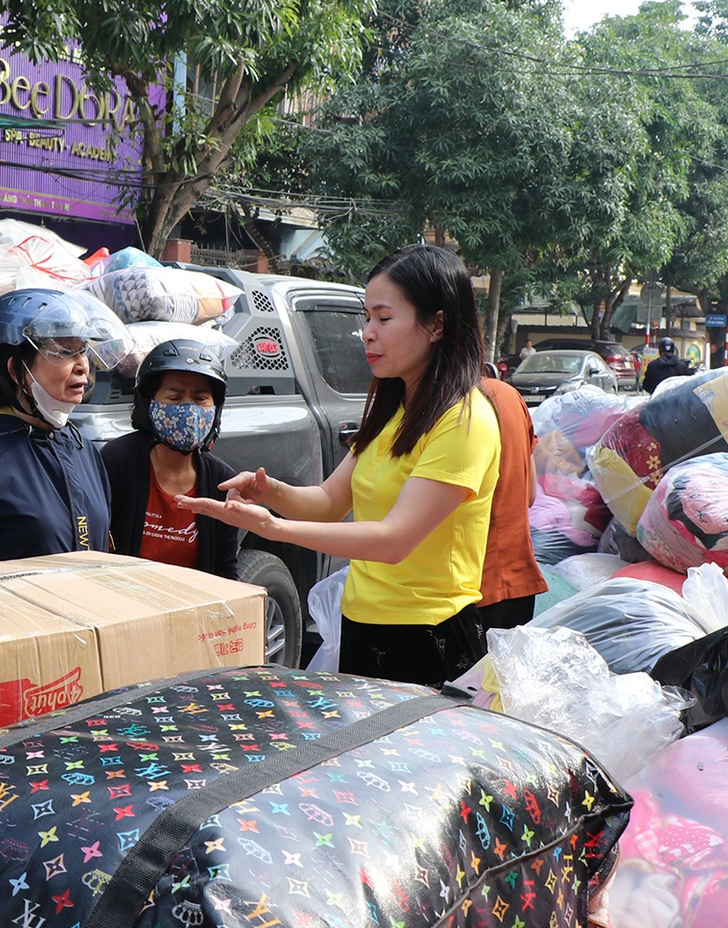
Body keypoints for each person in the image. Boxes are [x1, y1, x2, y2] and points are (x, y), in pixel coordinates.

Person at [181, 246, 501, 687]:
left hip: (429, 637)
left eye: (384, 319)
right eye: (366, 319)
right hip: (362, 623)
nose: (367, 334)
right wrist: (270, 492)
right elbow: (331, 500)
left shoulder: (464, 419)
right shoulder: (393, 411)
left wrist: (276, 530)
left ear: (437, 324)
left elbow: (393, 540)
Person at [0, 289, 117, 567]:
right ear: (16, 370)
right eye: (64, 351)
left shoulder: (82, 447)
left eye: (83, 350)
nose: (83, 366)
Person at [99, 338, 242, 579]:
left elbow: (225, 570)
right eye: (174, 398)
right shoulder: (116, 461)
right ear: (149, 404)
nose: (189, 410)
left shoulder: (222, 481)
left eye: (200, 399)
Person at [476, 368, 546, 630]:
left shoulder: (442, 404)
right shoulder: (505, 394)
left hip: (464, 592)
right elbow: (529, 495)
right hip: (517, 580)